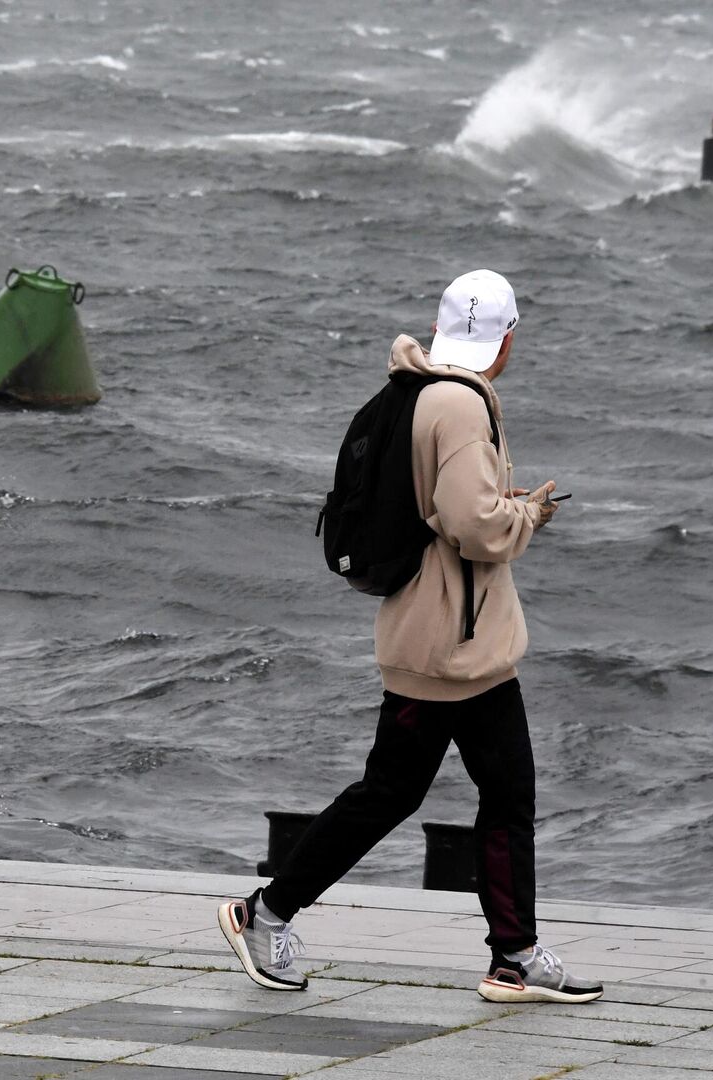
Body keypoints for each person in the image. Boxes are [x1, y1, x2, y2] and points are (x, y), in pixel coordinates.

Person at [216, 269, 603, 1005]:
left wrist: (496, 508)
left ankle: (269, 912)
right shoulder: (460, 405)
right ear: (507, 338)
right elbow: (473, 525)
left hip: (426, 633)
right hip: (461, 648)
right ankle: (512, 957)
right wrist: (527, 516)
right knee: (495, 796)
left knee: (393, 792)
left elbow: (439, 508)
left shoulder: (417, 388)